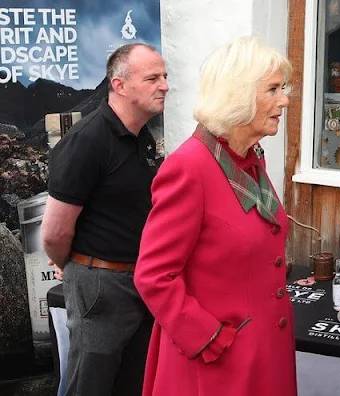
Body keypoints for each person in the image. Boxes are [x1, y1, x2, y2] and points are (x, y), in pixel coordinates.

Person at [133, 36, 296, 396]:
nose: (284, 100)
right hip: (217, 367)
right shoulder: (190, 168)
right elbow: (154, 275)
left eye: (282, 88)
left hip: (265, 357)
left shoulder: (249, 160)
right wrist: (209, 337)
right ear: (237, 94)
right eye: (272, 89)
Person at [41, 43, 168, 396]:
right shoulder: (87, 140)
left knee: (135, 384)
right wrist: (79, 268)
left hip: (141, 283)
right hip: (101, 288)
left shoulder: (142, 137)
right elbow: (53, 232)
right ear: (120, 85)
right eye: (153, 78)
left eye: (165, 77)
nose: (164, 86)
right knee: (91, 386)